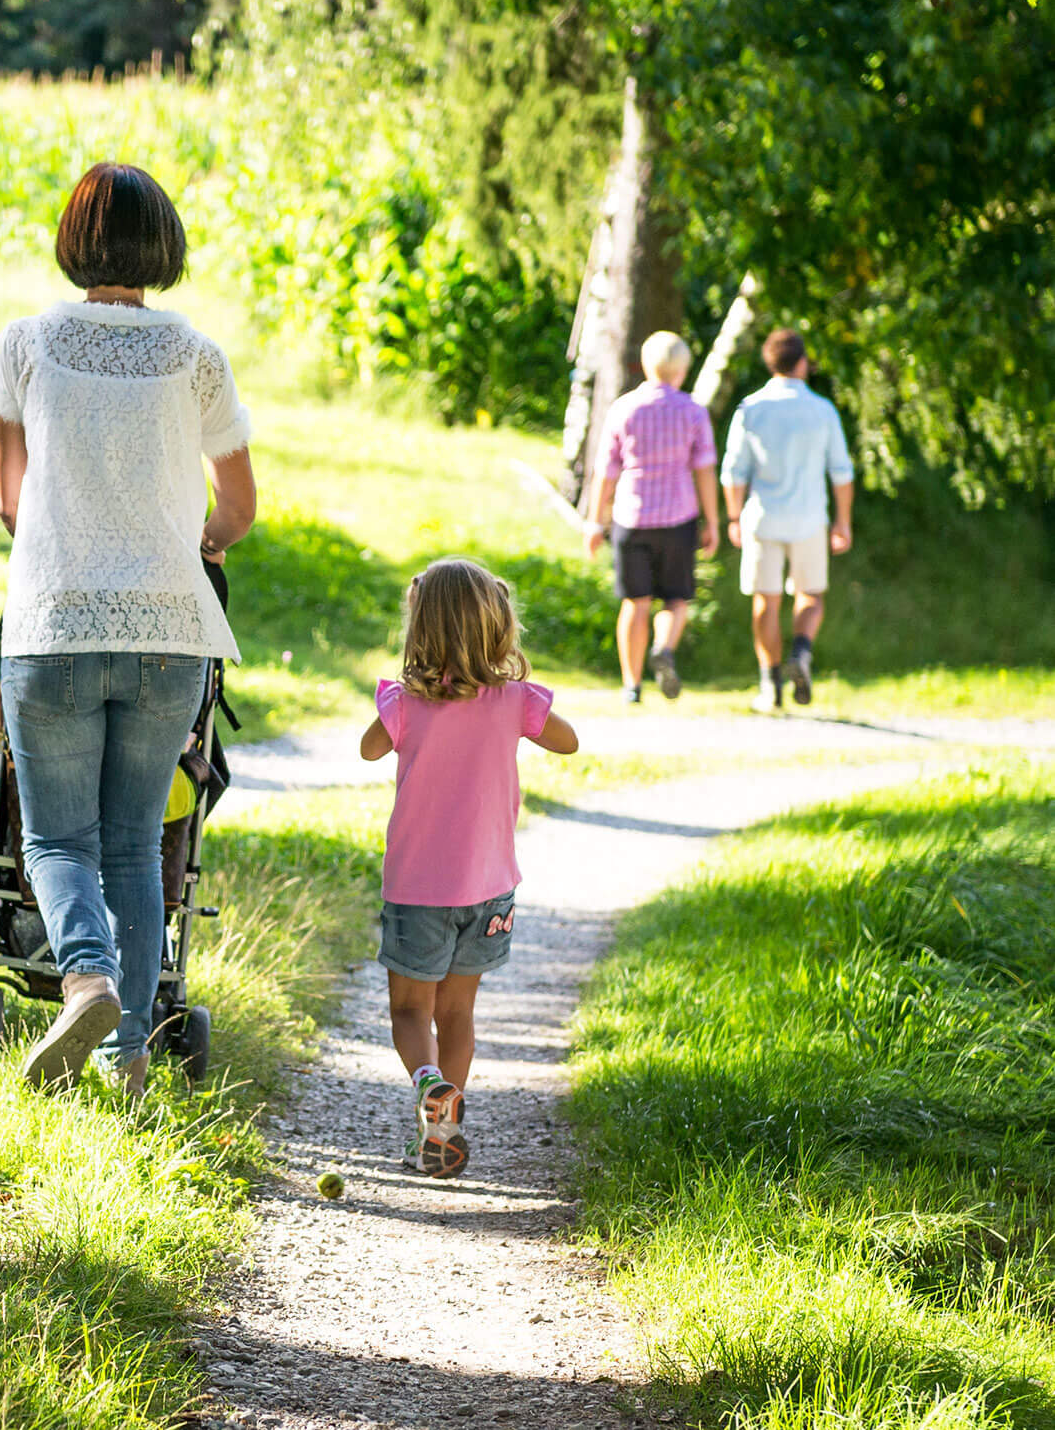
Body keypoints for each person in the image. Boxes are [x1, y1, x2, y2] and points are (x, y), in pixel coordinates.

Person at [0, 162, 256, 1099]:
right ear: (163, 246)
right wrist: (194, 543)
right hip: (171, 631)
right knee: (138, 844)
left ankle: (84, 974)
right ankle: (128, 1058)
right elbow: (241, 507)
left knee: (57, 842)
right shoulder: (196, 356)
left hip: (52, 621)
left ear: (73, 243)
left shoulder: (27, 344)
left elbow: (11, 504)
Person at [359, 559, 577, 1177]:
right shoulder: (513, 701)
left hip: (417, 889)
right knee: (458, 1013)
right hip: (488, 890)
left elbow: (369, 748)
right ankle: (443, 1131)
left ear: (419, 630)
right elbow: (569, 741)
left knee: (410, 1011)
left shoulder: (405, 703)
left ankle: (428, 1083)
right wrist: (512, 698)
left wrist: (405, 707)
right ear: (497, 627)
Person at [720, 327, 854, 712]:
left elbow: (734, 472)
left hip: (763, 518)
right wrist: (842, 522)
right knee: (810, 595)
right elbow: (841, 472)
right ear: (802, 363)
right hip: (810, 518)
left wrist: (733, 517)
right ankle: (801, 649)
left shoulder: (751, 408)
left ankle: (770, 685)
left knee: (765, 600)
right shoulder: (822, 410)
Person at [583, 330, 720, 702]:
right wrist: (714, 521)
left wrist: (596, 521)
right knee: (676, 600)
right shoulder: (692, 411)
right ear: (682, 369)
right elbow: (705, 469)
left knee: (635, 602)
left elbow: (606, 471)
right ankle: (663, 647)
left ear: (646, 364)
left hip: (632, 517)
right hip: (678, 519)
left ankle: (631, 684)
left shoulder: (624, 408)